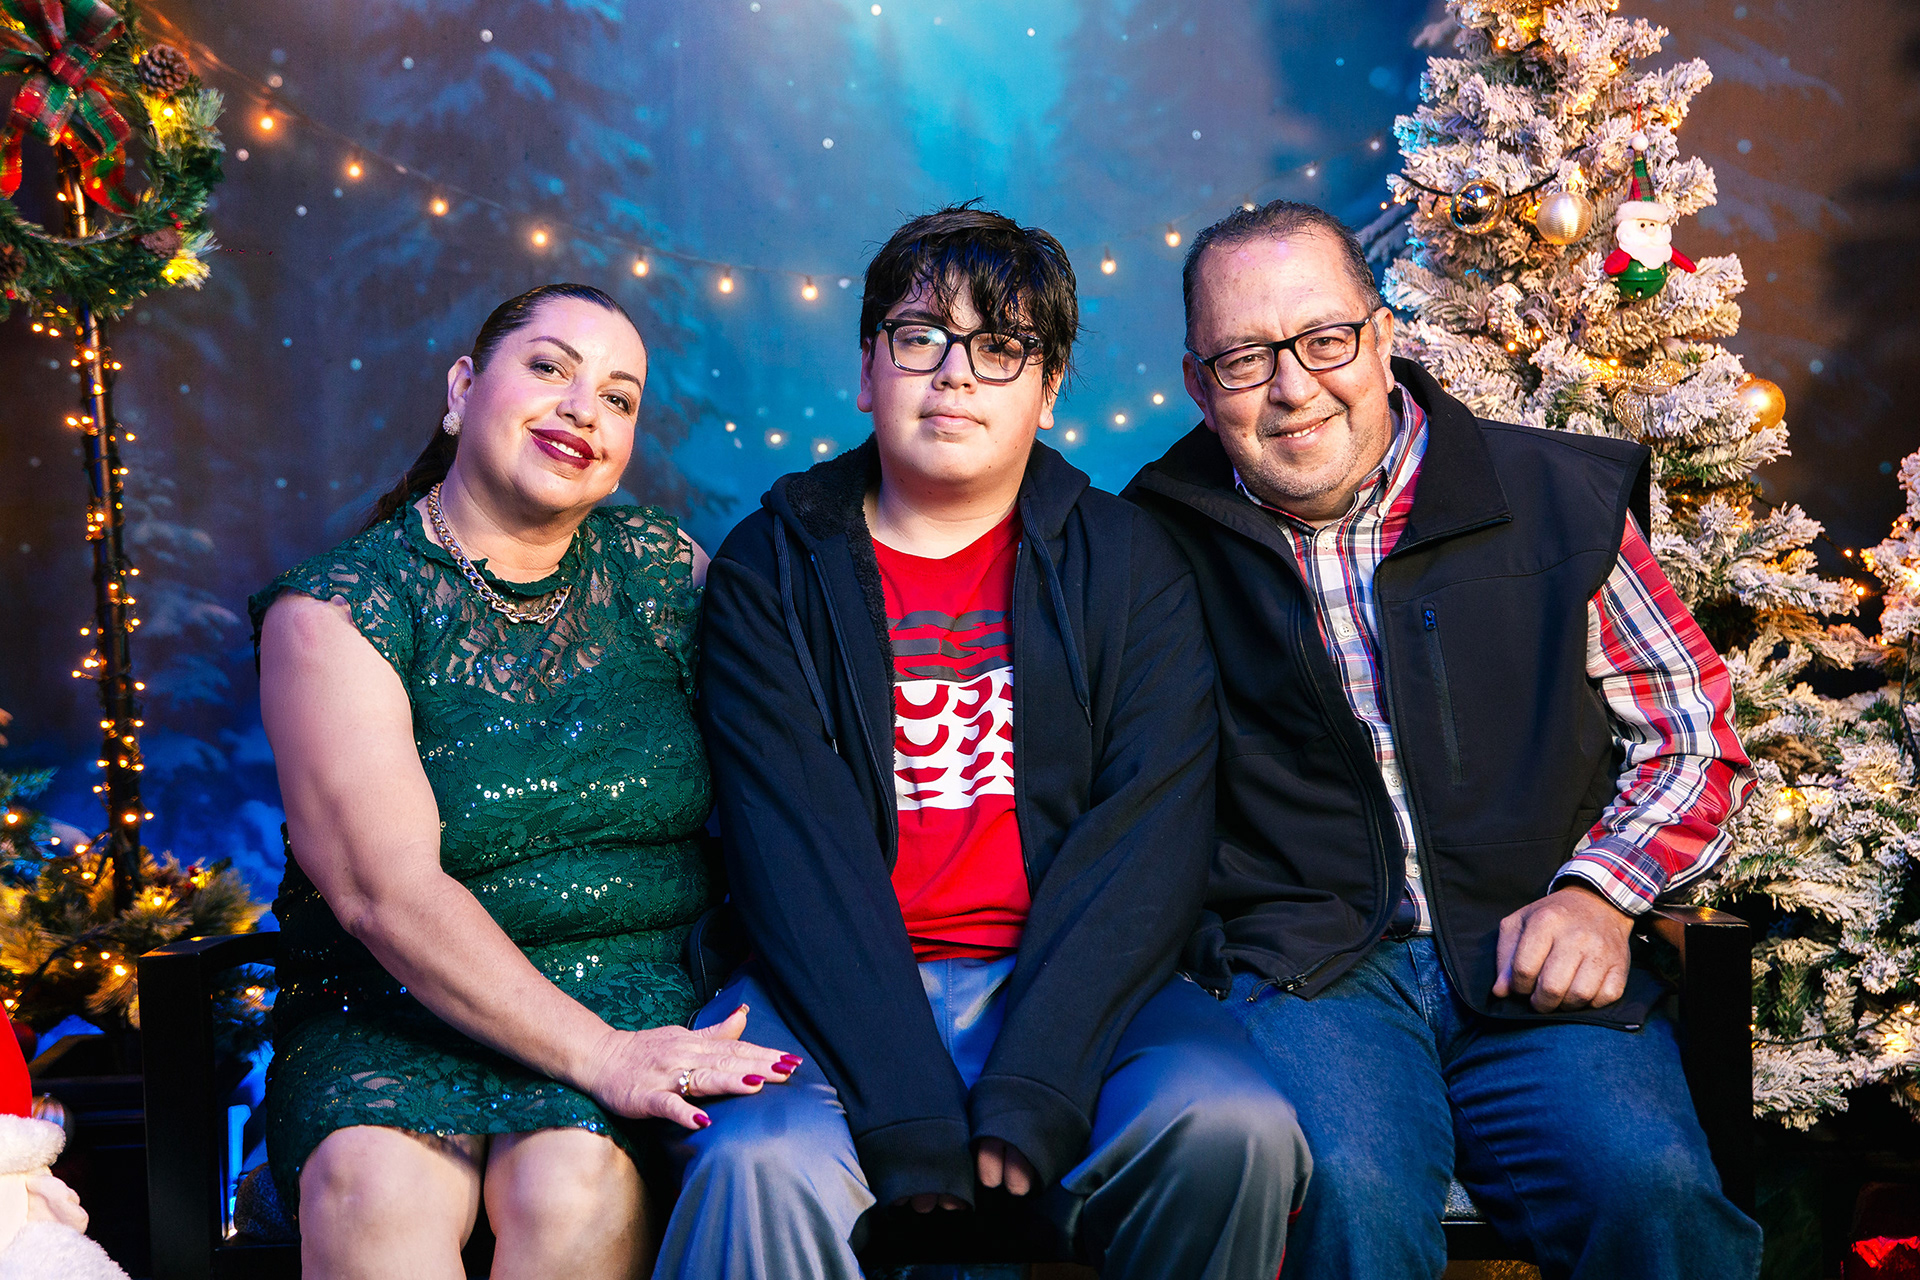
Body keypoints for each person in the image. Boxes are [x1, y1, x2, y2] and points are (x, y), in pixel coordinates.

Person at [655, 205, 1307, 1280]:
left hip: (1077, 982)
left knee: (1233, 1124)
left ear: (1047, 392)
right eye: (920, 337)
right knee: (755, 1159)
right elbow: (793, 854)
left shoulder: (1131, 562)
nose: (954, 374)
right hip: (824, 985)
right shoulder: (770, 566)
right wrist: (907, 1100)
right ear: (868, 370)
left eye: (1000, 346)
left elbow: (1148, 839)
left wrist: (1042, 1072)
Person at [1123, 200, 1765, 1280]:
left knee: (1652, 1190)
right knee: (1346, 1198)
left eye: (1325, 340)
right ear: (1198, 384)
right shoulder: (1148, 541)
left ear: (1383, 340)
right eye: (1244, 359)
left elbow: (1690, 731)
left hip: (1537, 953)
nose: (1293, 387)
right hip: (1307, 974)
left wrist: (1600, 894)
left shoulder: (1554, 496)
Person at [252, 283, 794, 1280]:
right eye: (550, 368)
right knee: (375, 1192)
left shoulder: (663, 570)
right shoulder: (336, 611)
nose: (584, 409)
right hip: (393, 1004)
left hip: (634, 982)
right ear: (463, 389)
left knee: (570, 1185)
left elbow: (795, 761)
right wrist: (603, 1057)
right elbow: (384, 894)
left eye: (619, 398)